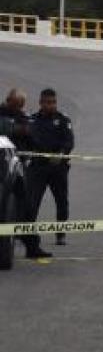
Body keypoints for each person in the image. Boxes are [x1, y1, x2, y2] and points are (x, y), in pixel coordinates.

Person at [0, 89, 51, 259]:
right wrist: (15, 129)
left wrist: (22, 130)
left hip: (19, 168)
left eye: (21, 105)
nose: (19, 108)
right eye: (15, 104)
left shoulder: (26, 117)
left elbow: (33, 135)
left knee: (26, 208)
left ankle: (32, 246)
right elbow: (7, 129)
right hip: (3, 166)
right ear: (8, 101)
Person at [28, 88, 74, 246]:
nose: (51, 105)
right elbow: (28, 141)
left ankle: (60, 234)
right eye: (47, 102)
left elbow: (69, 141)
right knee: (32, 203)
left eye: (53, 102)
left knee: (61, 202)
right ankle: (28, 234)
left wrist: (61, 153)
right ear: (40, 103)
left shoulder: (63, 120)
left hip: (57, 168)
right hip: (37, 167)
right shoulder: (32, 120)